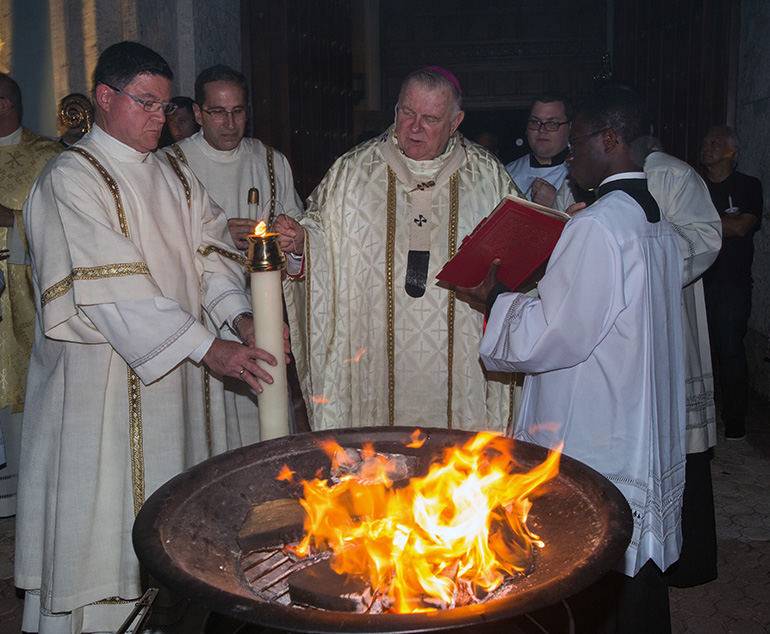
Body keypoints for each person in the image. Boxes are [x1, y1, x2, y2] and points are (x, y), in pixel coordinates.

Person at [15, 41, 285, 634]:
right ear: (105, 99)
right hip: (96, 394)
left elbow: (212, 255)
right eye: (147, 104)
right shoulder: (69, 179)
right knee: (99, 524)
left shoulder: (173, 177)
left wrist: (239, 318)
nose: (161, 120)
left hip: (172, 387)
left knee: (168, 527)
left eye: (167, 106)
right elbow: (112, 292)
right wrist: (209, 348)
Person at [469, 90, 686, 633]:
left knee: (592, 545)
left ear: (610, 141)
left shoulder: (598, 225)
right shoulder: (651, 216)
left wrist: (494, 298)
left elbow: (556, 331)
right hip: (639, 401)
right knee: (634, 561)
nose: (571, 156)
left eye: (580, 142)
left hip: (599, 408)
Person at [275, 67, 522, 432]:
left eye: (430, 118)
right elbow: (320, 237)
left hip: (459, 362)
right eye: (407, 113)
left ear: (455, 122)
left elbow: (519, 259)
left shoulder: (487, 178)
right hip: (372, 355)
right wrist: (300, 243)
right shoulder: (353, 171)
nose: (414, 127)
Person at [165, 64, 304, 447]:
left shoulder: (272, 163)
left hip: (261, 314)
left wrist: (289, 239)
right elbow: (161, 247)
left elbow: (298, 250)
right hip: (197, 317)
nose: (230, 122)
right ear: (197, 113)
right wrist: (219, 237)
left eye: (238, 111)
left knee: (263, 428)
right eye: (217, 112)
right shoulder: (169, 166)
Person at [0, 73, 63, 518]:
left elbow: (62, 226)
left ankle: (25, 498)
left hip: (24, 297)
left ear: (7, 103)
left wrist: (9, 218)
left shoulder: (49, 157)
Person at [700, 125, 763, 441]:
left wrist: (700, 221)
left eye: (715, 142)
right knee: (697, 353)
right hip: (696, 281)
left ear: (732, 151)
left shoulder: (748, 186)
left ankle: (736, 418)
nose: (706, 147)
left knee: (730, 349)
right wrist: (721, 222)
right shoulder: (694, 186)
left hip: (731, 282)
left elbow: (741, 228)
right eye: (705, 141)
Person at [505, 93, 571, 206]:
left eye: (552, 123)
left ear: (570, 128)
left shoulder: (585, 173)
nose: (542, 130)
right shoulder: (507, 174)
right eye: (535, 122)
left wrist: (557, 203)